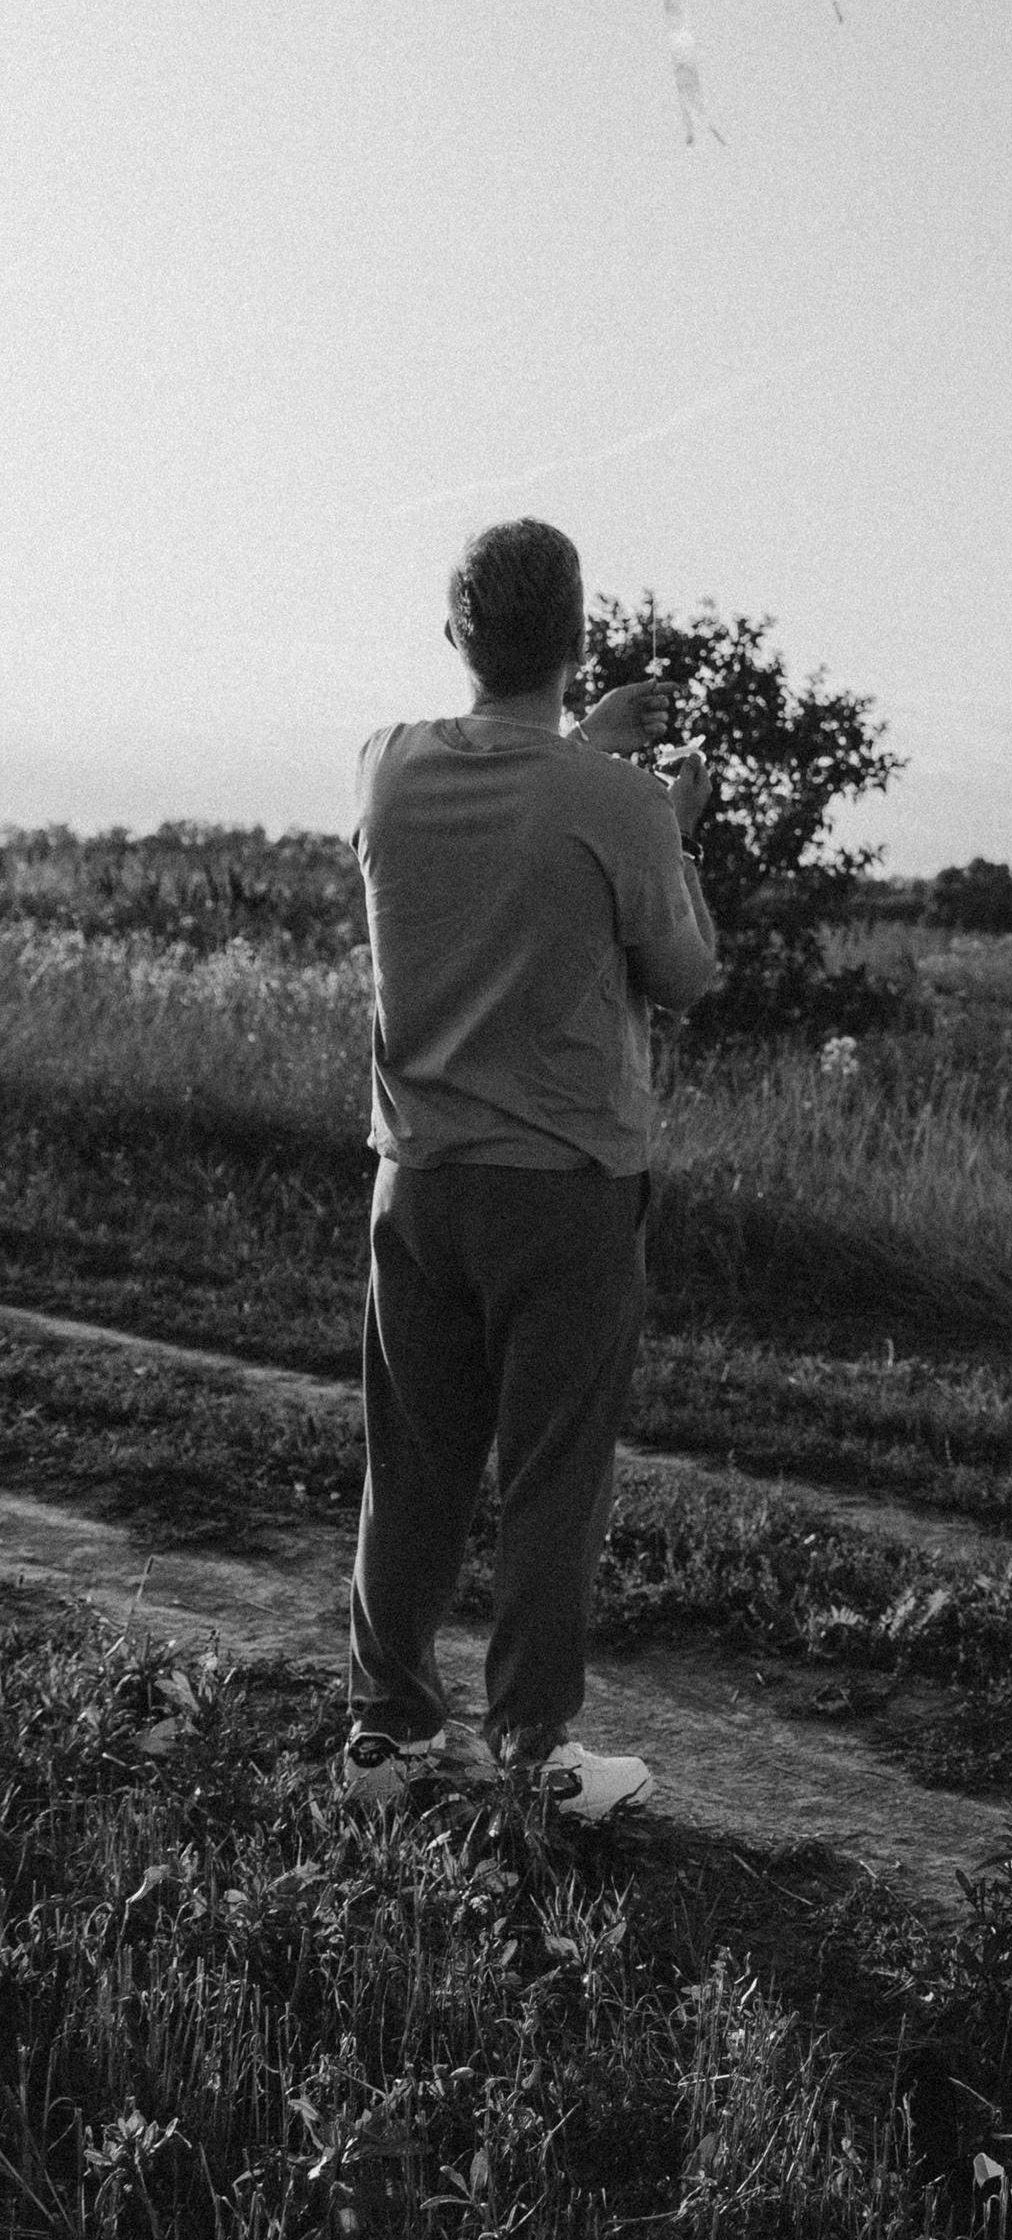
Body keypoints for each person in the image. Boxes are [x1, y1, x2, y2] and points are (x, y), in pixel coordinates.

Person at [341, 518, 719, 1820]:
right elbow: (685, 976)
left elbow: (515, 792)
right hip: (564, 1193)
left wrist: (586, 748)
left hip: (420, 1180)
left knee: (415, 1469)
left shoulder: (386, 770)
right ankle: (533, 1755)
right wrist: (671, 826)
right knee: (553, 1481)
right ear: (575, 640)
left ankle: (385, 1740)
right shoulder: (618, 804)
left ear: (457, 636)